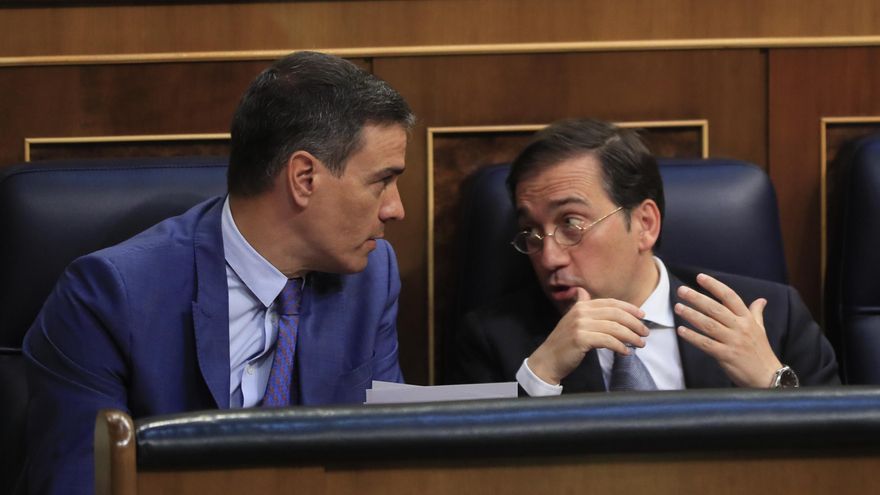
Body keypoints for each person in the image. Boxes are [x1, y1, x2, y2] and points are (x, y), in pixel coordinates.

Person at [22, 51, 414, 494]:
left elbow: (386, 451)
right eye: (382, 181)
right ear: (304, 178)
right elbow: (81, 482)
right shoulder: (108, 298)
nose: (395, 209)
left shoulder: (371, 275)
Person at [451, 118, 839, 396]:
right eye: (532, 233)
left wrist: (774, 385)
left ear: (645, 224)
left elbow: (841, 459)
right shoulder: (493, 340)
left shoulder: (773, 318)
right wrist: (541, 374)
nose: (548, 257)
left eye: (571, 223)